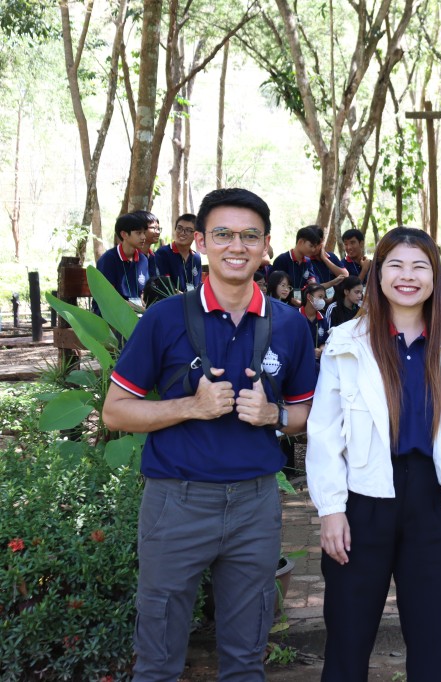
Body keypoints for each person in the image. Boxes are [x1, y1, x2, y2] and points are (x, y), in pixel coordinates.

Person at [101, 188, 317, 680]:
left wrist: (273, 415)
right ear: (200, 242)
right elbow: (115, 412)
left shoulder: (289, 324)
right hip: (176, 502)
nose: (236, 246)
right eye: (222, 234)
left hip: (255, 507)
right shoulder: (164, 318)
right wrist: (190, 407)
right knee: (157, 661)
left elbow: (305, 413)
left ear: (266, 245)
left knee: (246, 659)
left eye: (249, 236)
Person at [305, 227, 441, 682]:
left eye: (419, 266)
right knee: (348, 636)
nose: (407, 276)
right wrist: (331, 510)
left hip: (433, 502)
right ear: (377, 274)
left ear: (434, 276)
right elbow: (324, 432)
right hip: (363, 500)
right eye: (396, 265)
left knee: (431, 639)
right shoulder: (346, 341)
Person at [96, 212, 151, 310]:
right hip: (111, 314)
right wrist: (138, 308)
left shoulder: (143, 260)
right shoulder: (108, 260)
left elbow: (143, 292)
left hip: (137, 312)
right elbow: (108, 297)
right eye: (138, 233)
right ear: (124, 234)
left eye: (144, 233)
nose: (143, 237)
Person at [271, 226, 323, 306]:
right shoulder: (282, 260)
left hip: (300, 306)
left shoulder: (308, 262)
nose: (313, 250)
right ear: (300, 242)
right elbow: (274, 287)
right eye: (311, 246)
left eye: (315, 247)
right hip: (281, 305)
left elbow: (311, 281)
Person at [152, 213, 202, 294]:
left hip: (191, 300)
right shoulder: (163, 253)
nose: (182, 233)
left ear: (196, 235)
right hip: (171, 300)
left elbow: (198, 285)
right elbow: (161, 285)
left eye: (188, 230)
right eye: (179, 228)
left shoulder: (196, 258)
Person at [301, 283, 330, 362]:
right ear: (309, 297)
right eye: (320, 297)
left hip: (316, 362)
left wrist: (321, 350)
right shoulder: (295, 315)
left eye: (323, 298)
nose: (322, 301)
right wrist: (309, 351)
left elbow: (325, 342)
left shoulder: (323, 319)